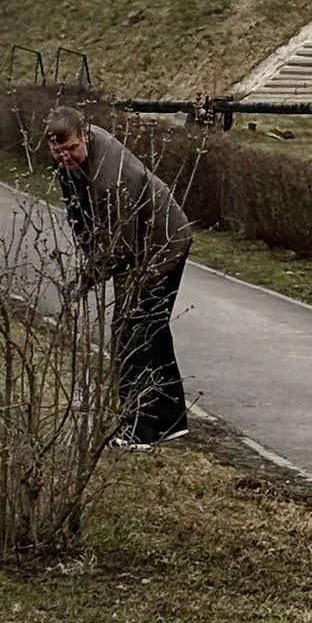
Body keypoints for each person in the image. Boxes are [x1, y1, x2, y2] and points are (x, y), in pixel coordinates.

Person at [45, 105, 194, 446]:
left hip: (161, 244)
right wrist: (88, 250)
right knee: (152, 330)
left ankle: (139, 430)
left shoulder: (112, 177)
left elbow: (118, 247)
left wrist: (83, 280)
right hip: (140, 243)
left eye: (71, 149)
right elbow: (79, 212)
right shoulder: (71, 160)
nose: (65, 157)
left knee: (132, 334)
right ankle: (171, 421)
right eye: (58, 151)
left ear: (85, 136)